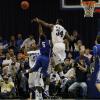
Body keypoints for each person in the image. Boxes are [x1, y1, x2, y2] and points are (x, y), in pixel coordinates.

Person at [32, 17, 72, 82]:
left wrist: (38, 21)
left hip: (56, 47)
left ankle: (63, 78)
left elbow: (45, 24)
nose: (55, 22)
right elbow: (70, 39)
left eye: (56, 21)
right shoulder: (64, 30)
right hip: (62, 45)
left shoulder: (53, 26)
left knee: (57, 64)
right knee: (57, 63)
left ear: (57, 22)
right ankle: (54, 76)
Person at [25, 22, 51, 99]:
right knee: (33, 84)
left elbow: (40, 33)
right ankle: (43, 91)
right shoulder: (48, 42)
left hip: (38, 64)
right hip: (39, 64)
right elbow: (41, 33)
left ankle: (39, 95)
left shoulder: (40, 46)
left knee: (36, 79)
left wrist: (39, 24)